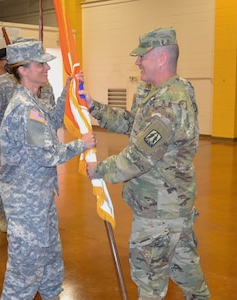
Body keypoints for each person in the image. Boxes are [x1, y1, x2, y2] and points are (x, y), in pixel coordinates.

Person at [84, 27, 210, 299]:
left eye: (143, 57)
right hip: (176, 205)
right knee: (187, 271)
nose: (137, 62)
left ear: (162, 59)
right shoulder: (174, 89)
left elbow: (138, 158)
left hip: (159, 213)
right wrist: (93, 107)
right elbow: (133, 124)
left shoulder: (166, 103)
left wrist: (100, 170)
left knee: (149, 282)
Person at [0, 40, 96, 300]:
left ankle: (52, 294)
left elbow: (51, 121)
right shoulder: (23, 108)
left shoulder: (33, 101)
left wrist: (68, 88)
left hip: (39, 199)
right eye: (40, 63)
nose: (46, 68)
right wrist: (81, 144)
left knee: (51, 258)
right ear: (23, 70)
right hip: (26, 204)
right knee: (25, 270)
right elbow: (46, 154)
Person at [0, 38, 55, 233]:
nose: (45, 67)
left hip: (38, 158)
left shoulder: (45, 86)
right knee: (8, 192)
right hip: (10, 156)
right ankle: (6, 217)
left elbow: (51, 118)